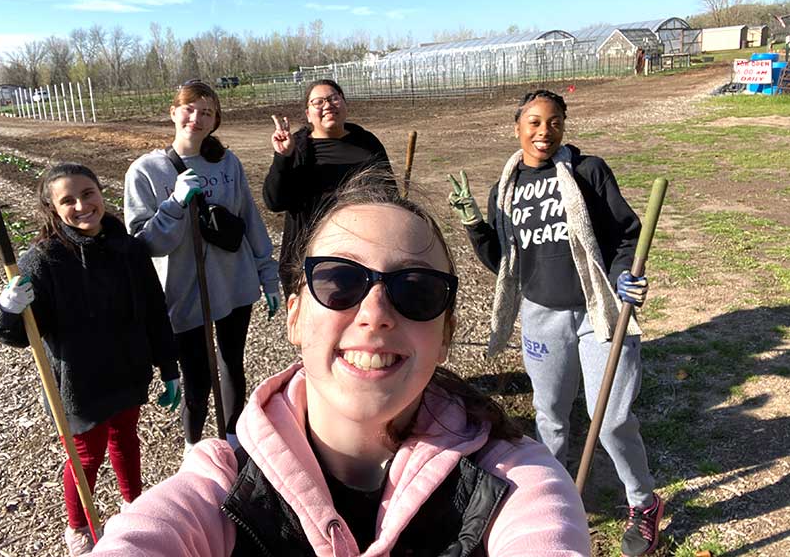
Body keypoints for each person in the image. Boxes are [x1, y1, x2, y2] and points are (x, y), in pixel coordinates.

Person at [93, 169, 591, 556]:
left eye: (416, 289)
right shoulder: (221, 485)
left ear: (445, 336)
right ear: (294, 317)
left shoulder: (514, 479)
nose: (375, 314)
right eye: (339, 280)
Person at [448, 89, 662, 556]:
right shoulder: (505, 188)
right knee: (550, 418)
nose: (545, 131)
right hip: (541, 317)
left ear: (564, 126)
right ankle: (553, 498)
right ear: (518, 127)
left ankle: (644, 504)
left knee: (612, 420)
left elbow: (624, 235)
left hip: (598, 310)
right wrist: (474, 224)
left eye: (555, 122)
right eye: (535, 122)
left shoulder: (588, 172)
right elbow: (504, 263)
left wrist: (623, 274)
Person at [0, 163, 181, 556]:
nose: (81, 205)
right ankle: (78, 526)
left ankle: (133, 506)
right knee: (85, 457)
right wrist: (5, 310)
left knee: (126, 439)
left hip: (127, 371)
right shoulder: (44, 260)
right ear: (53, 208)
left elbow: (155, 311)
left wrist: (168, 367)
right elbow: (21, 334)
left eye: (88, 193)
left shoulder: (129, 250)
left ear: (100, 193)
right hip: (79, 385)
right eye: (68, 200)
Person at [124, 80, 280, 455]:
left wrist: (268, 274)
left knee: (232, 363)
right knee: (197, 377)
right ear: (173, 113)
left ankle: (232, 441)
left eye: (207, 112)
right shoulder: (145, 171)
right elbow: (145, 244)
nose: (197, 117)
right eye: (190, 108)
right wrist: (175, 204)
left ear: (215, 121)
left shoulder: (227, 163)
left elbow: (249, 219)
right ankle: (193, 448)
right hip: (184, 292)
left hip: (234, 283)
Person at [263, 78, 394, 297]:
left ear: (344, 104)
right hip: (310, 258)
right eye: (318, 102)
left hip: (362, 253)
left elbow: (389, 194)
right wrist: (283, 157)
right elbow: (274, 202)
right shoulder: (297, 148)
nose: (327, 105)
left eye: (334, 98)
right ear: (308, 114)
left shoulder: (367, 143)